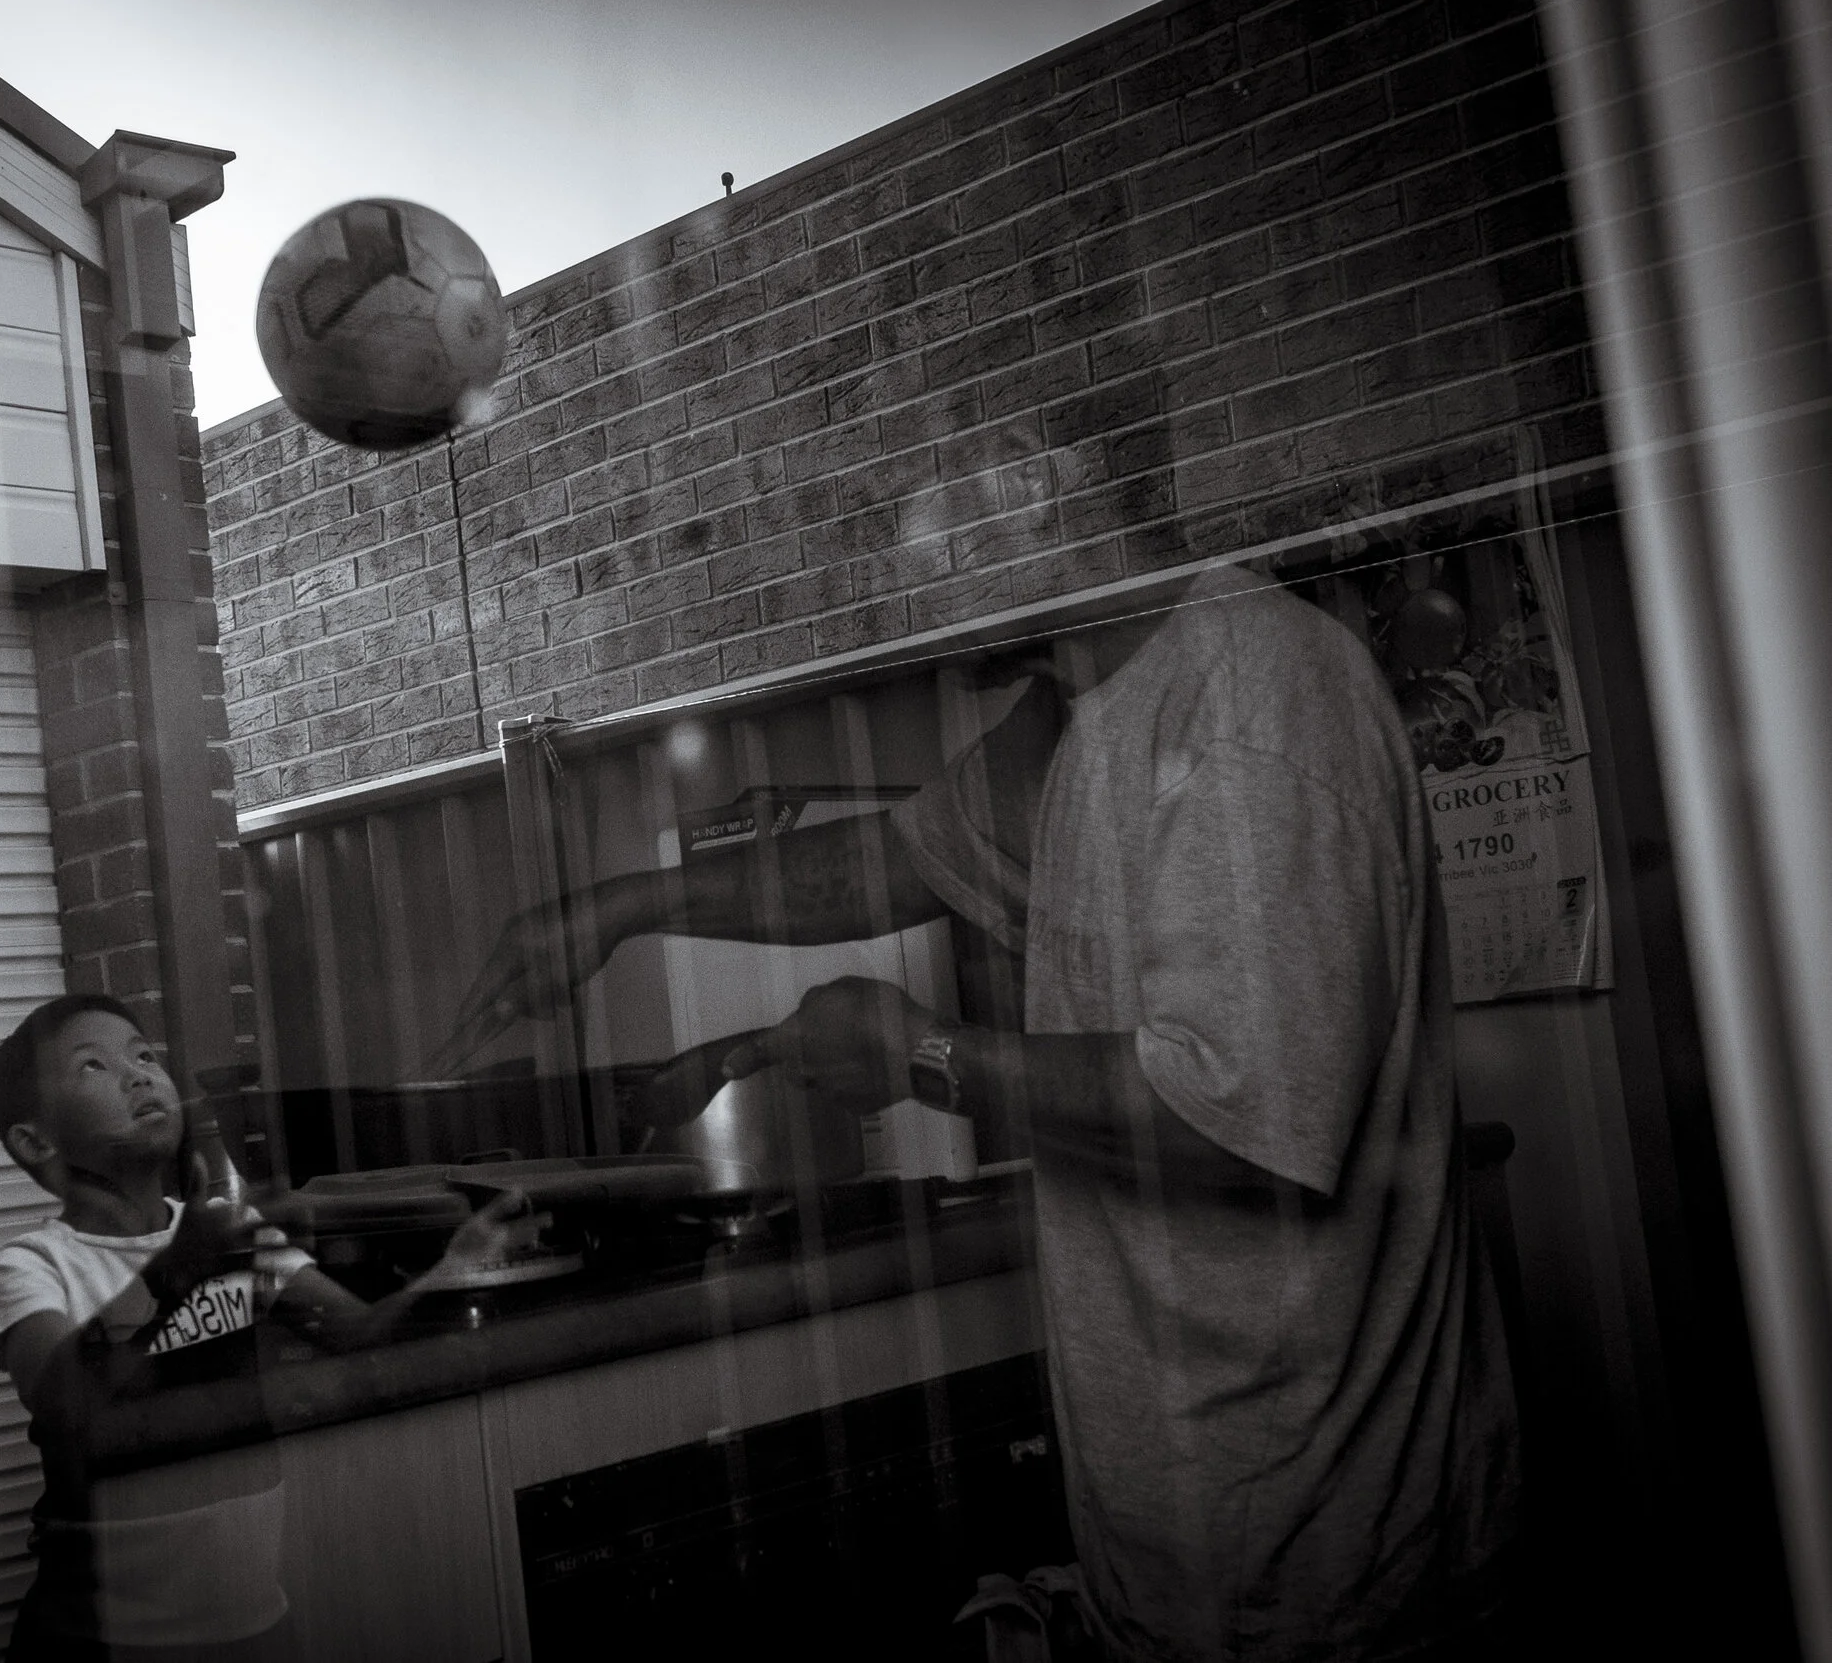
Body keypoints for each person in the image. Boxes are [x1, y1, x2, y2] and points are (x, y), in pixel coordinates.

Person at [436, 563, 1521, 1662]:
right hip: (1176, 1572)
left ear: (1027, 487)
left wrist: (924, 1053)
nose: (902, 575)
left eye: (921, 510)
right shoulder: (1071, 716)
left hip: (1342, 1580)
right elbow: (894, 862)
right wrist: (628, 907)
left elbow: (1229, 1112)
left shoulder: (1258, 700)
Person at [0, 992, 535, 1663]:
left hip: (253, 1622)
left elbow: (360, 1334)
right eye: (92, 1066)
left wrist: (453, 1267)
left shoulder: (226, 1236)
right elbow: (68, 1408)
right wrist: (185, 1266)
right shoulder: (36, 1265)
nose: (138, 1074)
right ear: (36, 1140)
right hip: (101, 1638)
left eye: (144, 1055)